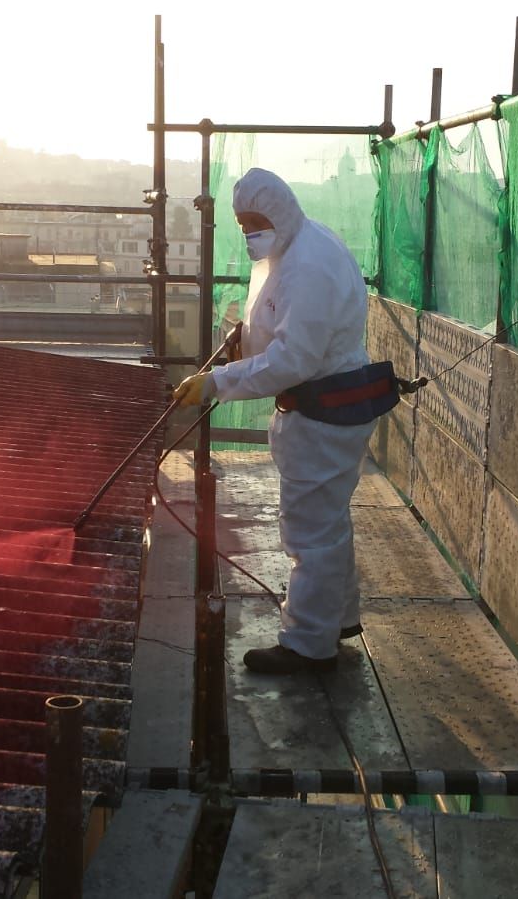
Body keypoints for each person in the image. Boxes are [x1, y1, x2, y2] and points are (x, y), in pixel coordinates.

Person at [173, 167, 392, 675]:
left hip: (322, 412)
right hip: (323, 409)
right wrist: (243, 337)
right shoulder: (293, 245)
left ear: (281, 211)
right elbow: (279, 320)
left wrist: (218, 381)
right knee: (328, 522)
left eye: (256, 220)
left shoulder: (308, 264)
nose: (250, 230)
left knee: (309, 532)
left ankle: (308, 646)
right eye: (242, 222)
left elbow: (296, 359)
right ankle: (335, 619)